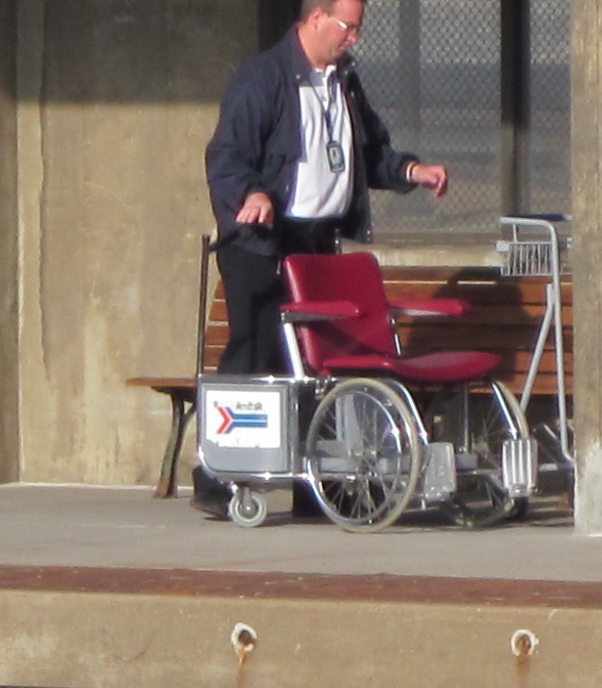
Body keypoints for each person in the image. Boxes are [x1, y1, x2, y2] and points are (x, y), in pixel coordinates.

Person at [192, 0, 449, 519]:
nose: (352, 39)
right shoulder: (263, 78)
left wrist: (411, 172)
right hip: (263, 241)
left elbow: (368, 151)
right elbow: (226, 155)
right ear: (315, 19)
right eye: (347, 27)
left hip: (318, 241)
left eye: (357, 30)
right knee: (257, 352)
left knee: (318, 360)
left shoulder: (344, 84)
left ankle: (318, 482)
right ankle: (220, 474)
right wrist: (253, 194)